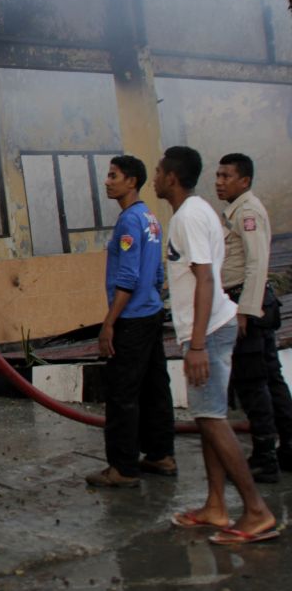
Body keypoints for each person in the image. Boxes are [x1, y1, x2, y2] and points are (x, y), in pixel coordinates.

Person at [156, 146, 277, 544]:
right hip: (213, 325)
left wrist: (195, 345)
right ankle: (215, 506)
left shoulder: (189, 216)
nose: (154, 178)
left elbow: (206, 279)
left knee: (211, 418)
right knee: (209, 416)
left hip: (207, 330)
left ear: (171, 177)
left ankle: (256, 511)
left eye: (158, 171)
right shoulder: (198, 210)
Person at [86, 155, 175, 488]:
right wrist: (152, 302)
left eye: (114, 176)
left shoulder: (128, 222)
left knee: (122, 393)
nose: (107, 181)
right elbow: (156, 274)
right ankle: (161, 454)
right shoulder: (150, 218)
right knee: (155, 387)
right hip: (151, 312)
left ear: (131, 181)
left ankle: (123, 467)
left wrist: (110, 322)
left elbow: (128, 276)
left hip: (132, 318)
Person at [216, 152, 292, 482]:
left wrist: (244, 312)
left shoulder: (247, 211)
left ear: (244, 181)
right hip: (253, 305)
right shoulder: (236, 211)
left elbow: (256, 264)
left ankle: (264, 457)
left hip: (249, 305)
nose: (219, 182)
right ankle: (287, 449)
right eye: (217, 176)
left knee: (253, 383)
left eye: (226, 176)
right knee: (271, 379)